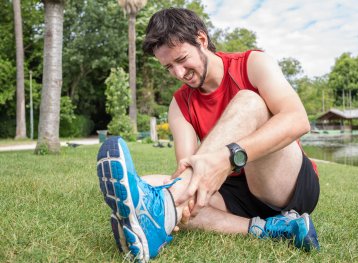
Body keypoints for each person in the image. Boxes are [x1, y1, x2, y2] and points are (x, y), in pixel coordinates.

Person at [96, 7, 320, 262]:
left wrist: (228, 157)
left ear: (201, 40)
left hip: (287, 184)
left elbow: (298, 120)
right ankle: (269, 230)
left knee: (249, 102)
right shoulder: (180, 105)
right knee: (149, 187)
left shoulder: (252, 64)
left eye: (181, 60)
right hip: (235, 191)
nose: (179, 74)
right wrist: (181, 191)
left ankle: (162, 216)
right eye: (169, 67)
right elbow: (189, 172)